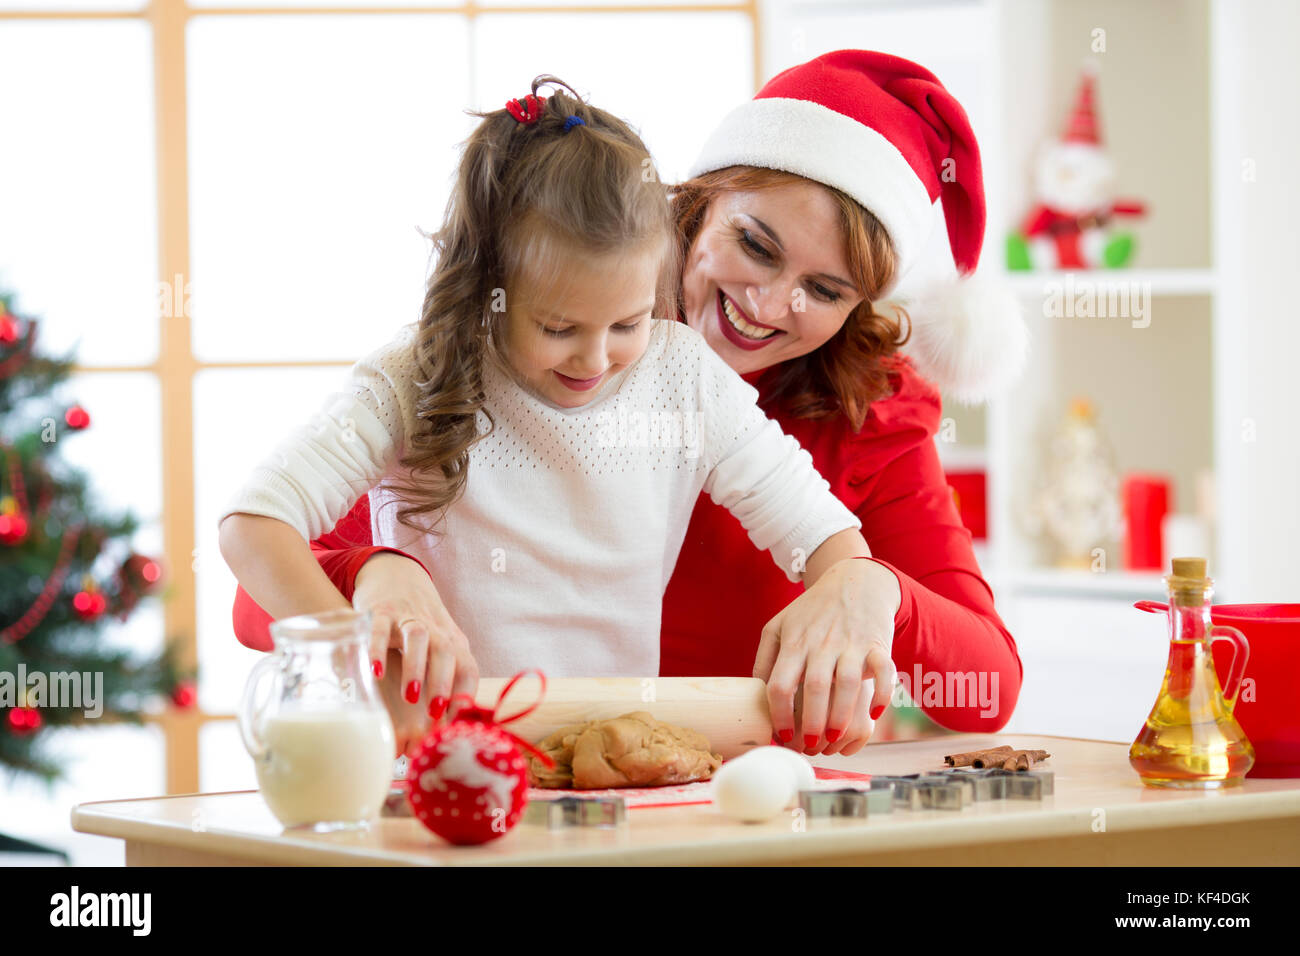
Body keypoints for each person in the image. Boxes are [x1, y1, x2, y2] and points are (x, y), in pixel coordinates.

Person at [219, 76, 896, 760]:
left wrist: (846, 595)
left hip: (608, 758)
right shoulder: (414, 376)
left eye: (628, 322)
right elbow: (253, 525)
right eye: (557, 326)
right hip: (439, 759)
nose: (595, 359)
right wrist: (353, 664)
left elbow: (824, 534)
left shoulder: (683, 377)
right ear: (489, 287)